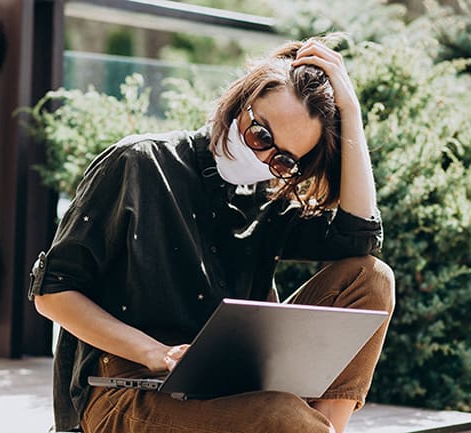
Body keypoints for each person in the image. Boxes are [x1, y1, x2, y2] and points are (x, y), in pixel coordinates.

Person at [28, 37, 395, 433]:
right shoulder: (138, 163)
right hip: (124, 390)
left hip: (228, 381)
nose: (263, 158)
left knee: (372, 278)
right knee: (279, 416)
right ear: (242, 100)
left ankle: (327, 430)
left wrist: (350, 112)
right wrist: (156, 353)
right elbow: (52, 293)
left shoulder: (267, 199)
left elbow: (359, 239)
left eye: (284, 159)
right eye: (261, 135)